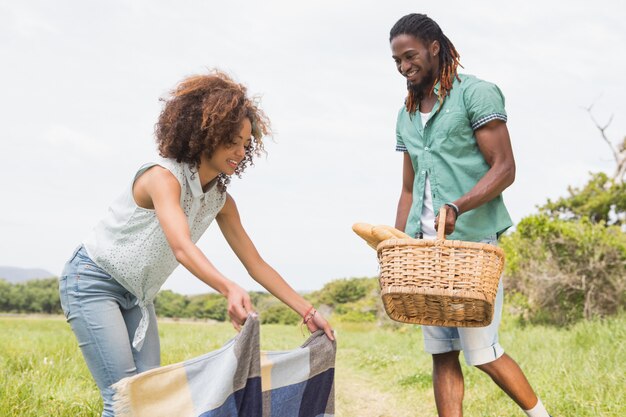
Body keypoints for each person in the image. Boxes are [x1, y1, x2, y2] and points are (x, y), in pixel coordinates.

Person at [58, 70, 334, 417]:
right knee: (125, 399)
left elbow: (256, 263)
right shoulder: (162, 177)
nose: (239, 151)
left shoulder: (220, 199)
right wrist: (228, 288)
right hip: (92, 282)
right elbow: (182, 247)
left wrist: (307, 311)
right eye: (232, 140)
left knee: (152, 398)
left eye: (246, 144)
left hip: (137, 297)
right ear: (206, 133)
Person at [389, 13, 551, 417]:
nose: (404, 67)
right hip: (425, 252)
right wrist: (395, 244)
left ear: (434, 48)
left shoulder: (476, 94)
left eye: (410, 56)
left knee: (483, 352)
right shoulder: (406, 114)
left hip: (472, 248)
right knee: (442, 354)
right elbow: (409, 189)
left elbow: (504, 167)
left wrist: (458, 205)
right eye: (396, 61)